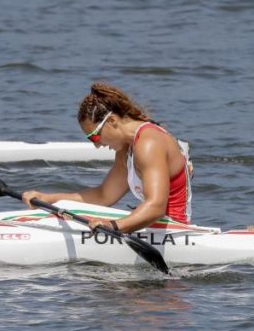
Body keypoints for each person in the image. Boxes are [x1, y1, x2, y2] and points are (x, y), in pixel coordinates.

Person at [22, 82, 193, 233]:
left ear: (111, 121)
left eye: (95, 136)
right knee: (66, 213)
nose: (97, 145)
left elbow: (156, 207)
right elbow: (103, 196)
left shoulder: (149, 144)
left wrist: (114, 226)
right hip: (153, 226)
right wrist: (47, 198)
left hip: (172, 230)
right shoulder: (127, 149)